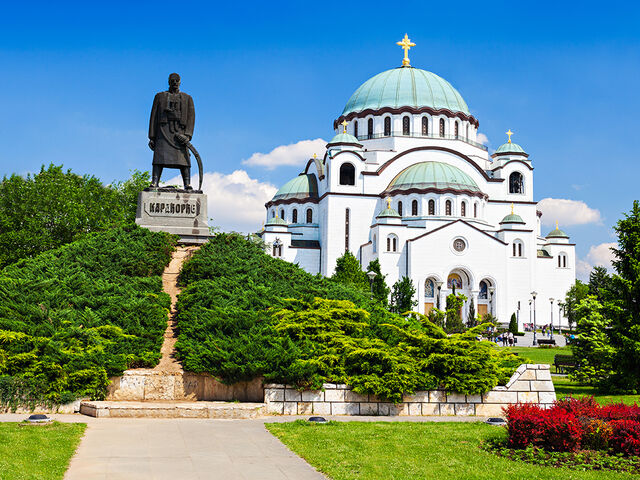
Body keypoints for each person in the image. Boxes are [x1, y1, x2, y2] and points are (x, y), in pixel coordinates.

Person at [148, 73, 196, 190]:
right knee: (159, 157)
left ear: (180, 82)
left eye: (177, 80)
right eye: (172, 80)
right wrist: (152, 137)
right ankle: (155, 182)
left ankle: (187, 184)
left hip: (180, 132)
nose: (174, 82)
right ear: (169, 82)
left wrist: (188, 135)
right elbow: (153, 116)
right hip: (163, 131)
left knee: (184, 159)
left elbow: (191, 118)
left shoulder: (187, 98)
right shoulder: (160, 96)